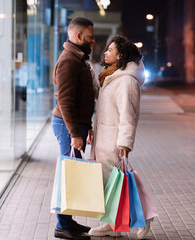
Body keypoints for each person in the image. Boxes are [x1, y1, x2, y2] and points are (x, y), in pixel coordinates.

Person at [87, 36, 151, 239]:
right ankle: (110, 225)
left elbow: (128, 114)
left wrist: (125, 142)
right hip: (103, 138)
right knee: (108, 184)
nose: (105, 52)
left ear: (120, 55)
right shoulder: (111, 76)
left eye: (110, 49)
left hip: (114, 141)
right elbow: (102, 98)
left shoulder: (126, 81)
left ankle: (146, 217)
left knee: (120, 183)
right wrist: (89, 73)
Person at [52, 17, 99, 240]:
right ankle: (63, 226)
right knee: (68, 175)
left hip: (75, 124)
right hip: (66, 125)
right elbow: (65, 100)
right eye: (90, 39)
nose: (92, 43)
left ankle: (68, 222)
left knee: (72, 173)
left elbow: (82, 98)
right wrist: (74, 133)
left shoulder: (77, 58)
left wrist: (86, 126)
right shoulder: (69, 60)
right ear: (79, 36)